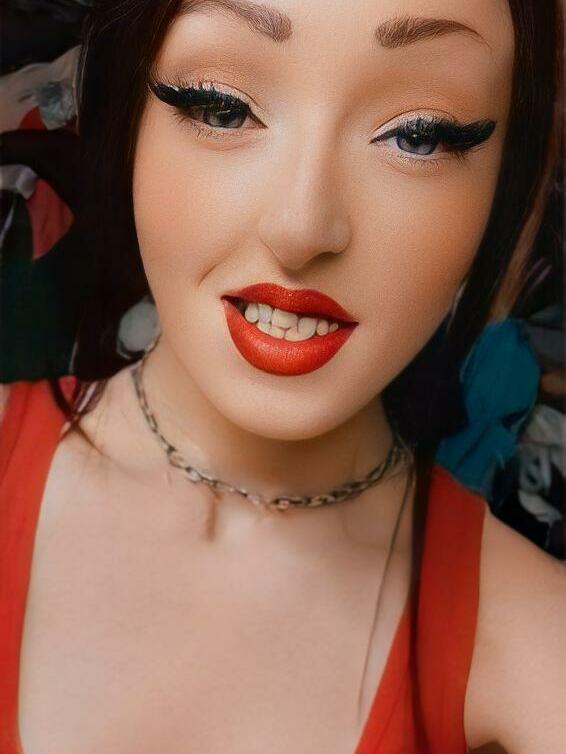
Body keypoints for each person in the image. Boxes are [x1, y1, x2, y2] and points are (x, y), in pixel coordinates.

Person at [0, 1, 564, 752]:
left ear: (505, 182)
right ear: (128, 109)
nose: (302, 227)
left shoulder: (530, 635)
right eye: (223, 108)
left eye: (420, 134)